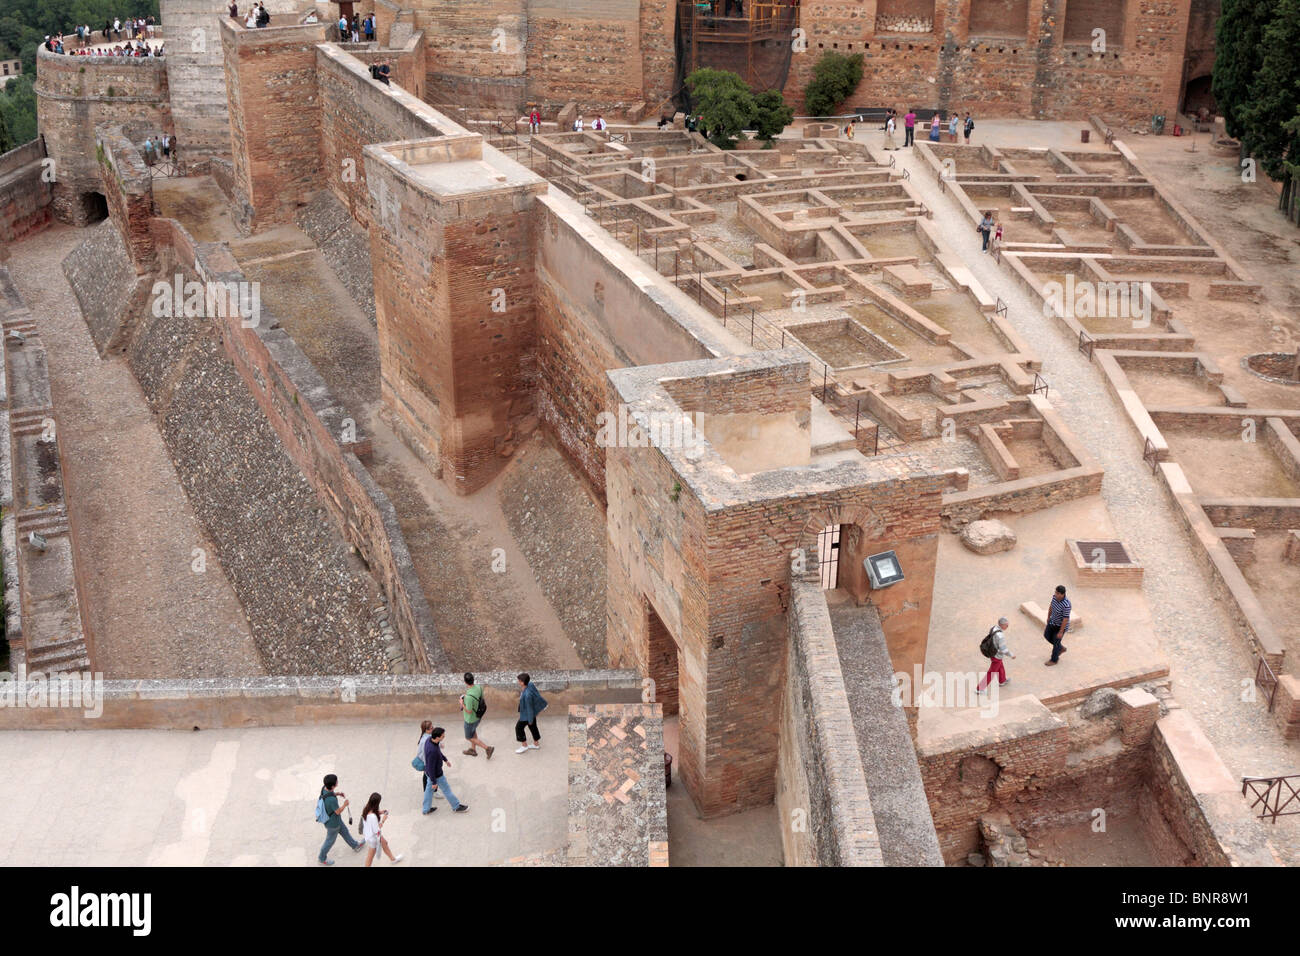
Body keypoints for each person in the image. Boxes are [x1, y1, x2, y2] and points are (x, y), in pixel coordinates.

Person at [317, 774, 364, 865]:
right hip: (333, 824)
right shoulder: (332, 800)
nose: (337, 782)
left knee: (345, 831)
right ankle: (321, 858)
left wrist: (337, 794)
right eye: (336, 782)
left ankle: (355, 845)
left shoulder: (324, 788)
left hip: (335, 820)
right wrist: (345, 804)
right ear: (333, 786)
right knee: (330, 841)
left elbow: (329, 795)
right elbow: (338, 811)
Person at [422, 727, 469, 814]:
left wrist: (445, 759)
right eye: (443, 736)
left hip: (428, 773)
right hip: (436, 775)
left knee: (428, 791)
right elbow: (431, 768)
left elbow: (438, 752)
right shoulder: (432, 751)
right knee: (447, 790)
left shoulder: (430, 740)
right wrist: (434, 782)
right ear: (437, 737)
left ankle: (426, 809)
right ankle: (456, 806)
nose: (444, 737)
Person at [358, 793, 403, 866]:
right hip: (373, 838)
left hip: (369, 834)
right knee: (369, 859)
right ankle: (393, 859)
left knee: (384, 843)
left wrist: (380, 812)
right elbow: (377, 830)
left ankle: (393, 859)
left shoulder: (366, 808)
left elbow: (372, 813)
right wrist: (383, 820)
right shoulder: (373, 817)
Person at [976, 617, 1015, 694]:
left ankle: (1002, 680)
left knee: (1000, 666)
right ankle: (980, 688)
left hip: (992, 652)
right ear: (1002, 625)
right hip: (996, 656)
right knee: (991, 672)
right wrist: (1011, 655)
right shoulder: (1000, 636)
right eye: (1006, 625)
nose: (1007, 626)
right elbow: (1004, 650)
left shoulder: (993, 628)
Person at [460, 673, 494, 758]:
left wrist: (462, 703)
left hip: (470, 719)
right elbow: (481, 698)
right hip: (477, 717)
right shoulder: (478, 687)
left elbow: (469, 711)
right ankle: (473, 750)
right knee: (473, 732)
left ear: (465, 682)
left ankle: (487, 748)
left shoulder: (468, 697)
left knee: (468, 737)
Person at [514, 673, 548, 753]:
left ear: (523, 682)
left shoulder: (527, 695)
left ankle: (524, 746)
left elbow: (529, 708)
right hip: (532, 713)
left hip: (527, 715)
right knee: (533, 727)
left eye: (519, 681)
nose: (518, 682)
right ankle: (536, 744)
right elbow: (537, 695)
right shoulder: (530, 684)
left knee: (518, 728)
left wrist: (530, 720)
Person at [1044, 585, 1071, 666]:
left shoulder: (1066, 605)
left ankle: (1054, 660)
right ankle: (1060, 648)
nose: (1056, 595)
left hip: (1060, 626)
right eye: (1056, 592)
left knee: (1056, 642)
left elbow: (1065, 619)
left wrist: (1061, 632)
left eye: (1058, 593)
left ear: (1063, 594)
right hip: (1052, 622)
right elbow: (1051, 606)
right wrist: (1048, 617)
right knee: (1046, 635)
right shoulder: (1054, 597)